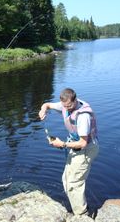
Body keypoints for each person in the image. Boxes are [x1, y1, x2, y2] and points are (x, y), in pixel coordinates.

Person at [38, 88, 99, 216]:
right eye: (65, 106)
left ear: (75, 100)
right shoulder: (65, 105)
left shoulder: (83, 116)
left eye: (70, 106)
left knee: (74, 182)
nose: (68, 109)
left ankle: (82, 214)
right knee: (66, 180)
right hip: (74, 147)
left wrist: (63, 144)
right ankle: (77, 207)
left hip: (86, 149)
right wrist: (43, 110)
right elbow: (47, 105)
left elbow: (83, 143)